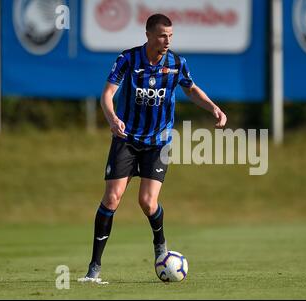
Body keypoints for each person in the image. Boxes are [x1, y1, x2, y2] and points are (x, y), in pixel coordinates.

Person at [78, 13, 227, 282]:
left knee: (147, 203)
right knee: (112, 198)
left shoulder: (177, 63)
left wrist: (213, 107)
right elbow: (107, 94)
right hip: (126, 138)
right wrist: (113, 119)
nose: (167, 40)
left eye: (170, 35)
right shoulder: (128, 59)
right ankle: (94, 269)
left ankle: (160, 244)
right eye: (161, 35)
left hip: (158, 143)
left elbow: (191, 89)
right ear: (148, 35)